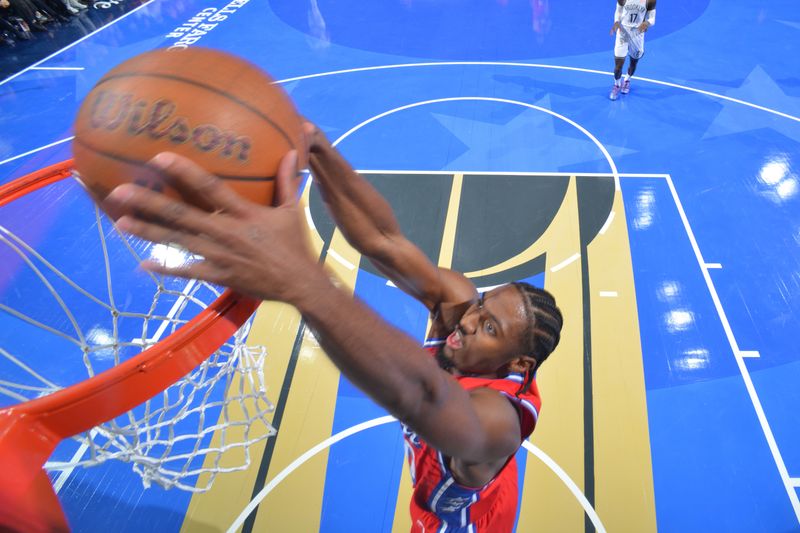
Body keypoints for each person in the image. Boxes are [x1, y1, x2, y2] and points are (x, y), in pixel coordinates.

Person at [103, 124, 563, 532]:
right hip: (447, 468)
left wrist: (302, 280)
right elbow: (384, 241)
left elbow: (423, 398)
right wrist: (319, 149)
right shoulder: (456, 309)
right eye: (481, 305)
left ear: (518, 362)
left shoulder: (502, 422)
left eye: (488, 328)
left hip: (464, 522)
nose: (466, 320)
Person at [609, 0, 656, 100]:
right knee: (618, 66)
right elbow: (618, 11)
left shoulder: (650, 0)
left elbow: (652, 18)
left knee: (633, 63)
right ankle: (617, 85)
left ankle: (627, 80)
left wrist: (647, 23)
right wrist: (616, 21)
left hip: (638, 34)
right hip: (623, 32)